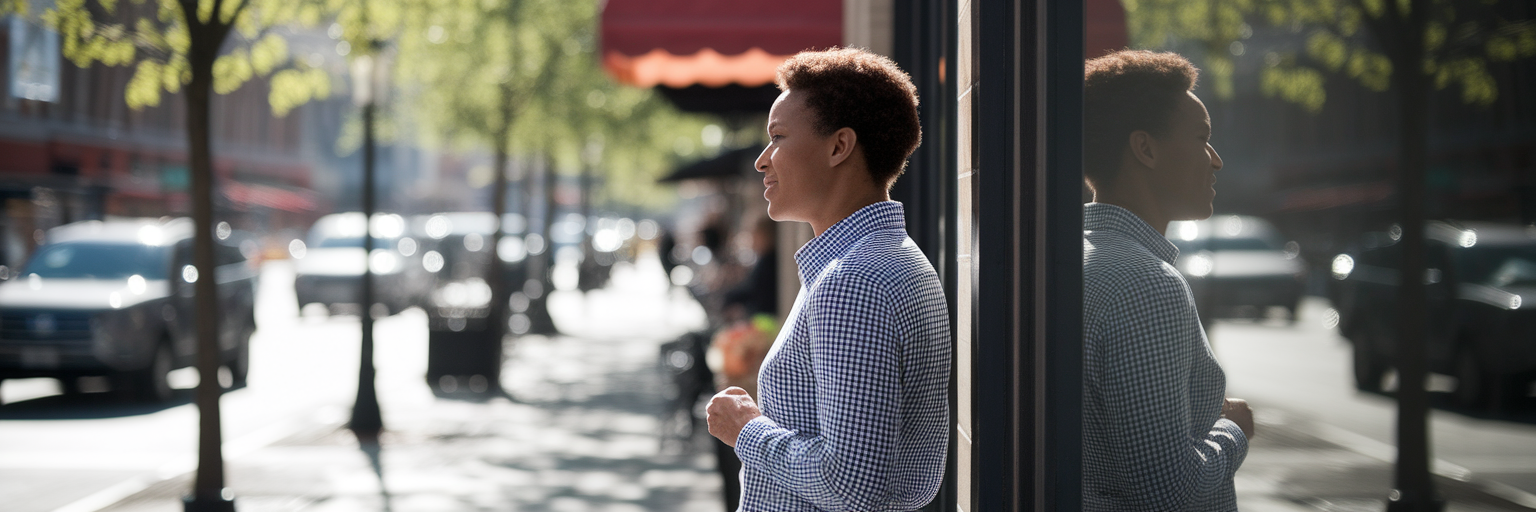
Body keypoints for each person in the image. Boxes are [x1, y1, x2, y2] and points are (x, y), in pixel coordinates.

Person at [704, 47, 950, 511]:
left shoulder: (853, 281)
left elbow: (851, 485)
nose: (762, 160)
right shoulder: (890, 262)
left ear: (839, 146)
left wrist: (746, 430)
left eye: (777, 137)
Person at [1081, 49, 1255, 511]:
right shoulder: (1145, 285)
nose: (1215, 160)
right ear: (1145, 148)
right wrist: (1234, 430)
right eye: (1202, 138)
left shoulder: (1075, 257)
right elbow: (1170, 492)